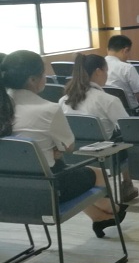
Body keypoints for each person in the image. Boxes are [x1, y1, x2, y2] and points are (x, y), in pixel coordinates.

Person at [0, 50, 124, 238]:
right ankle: (113, 210)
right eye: (43, 73)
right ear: (32, 79)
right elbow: (68, 147)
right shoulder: (48, 109)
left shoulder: (5, 107)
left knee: (64, 169)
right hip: (46, 192)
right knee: (98, 173)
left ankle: (101, 217)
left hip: (7, 192)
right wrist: (52, 150)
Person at [59, 54, 139, 201]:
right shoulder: (108, 100)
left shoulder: (63, 100)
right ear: (98, 71)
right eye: (106, 71)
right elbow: (129, 129)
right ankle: (127, 184)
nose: (107, 75)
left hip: (73, 156)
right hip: (106, 157)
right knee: (124, 138)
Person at [105, 35, 139, 109]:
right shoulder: (127, 68)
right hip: (129, 111)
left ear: (107, 49)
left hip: (105, 109)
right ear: (125, 50)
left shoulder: (98, 65)